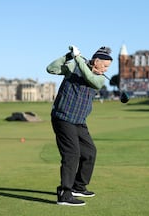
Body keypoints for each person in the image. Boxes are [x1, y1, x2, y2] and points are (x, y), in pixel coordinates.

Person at [46, 45, 113, 206]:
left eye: (107, 67)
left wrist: (78, 59)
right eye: (104, 65)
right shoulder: (73, 66)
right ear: (96, 61)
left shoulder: (100, 78)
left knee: (89, 152)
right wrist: (68, 56)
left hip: (79, 121)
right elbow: (51, 69)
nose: (105, 70)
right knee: (71, 154)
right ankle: (64, 193)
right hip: (63, 118)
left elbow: (91, 79)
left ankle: (78, 187)